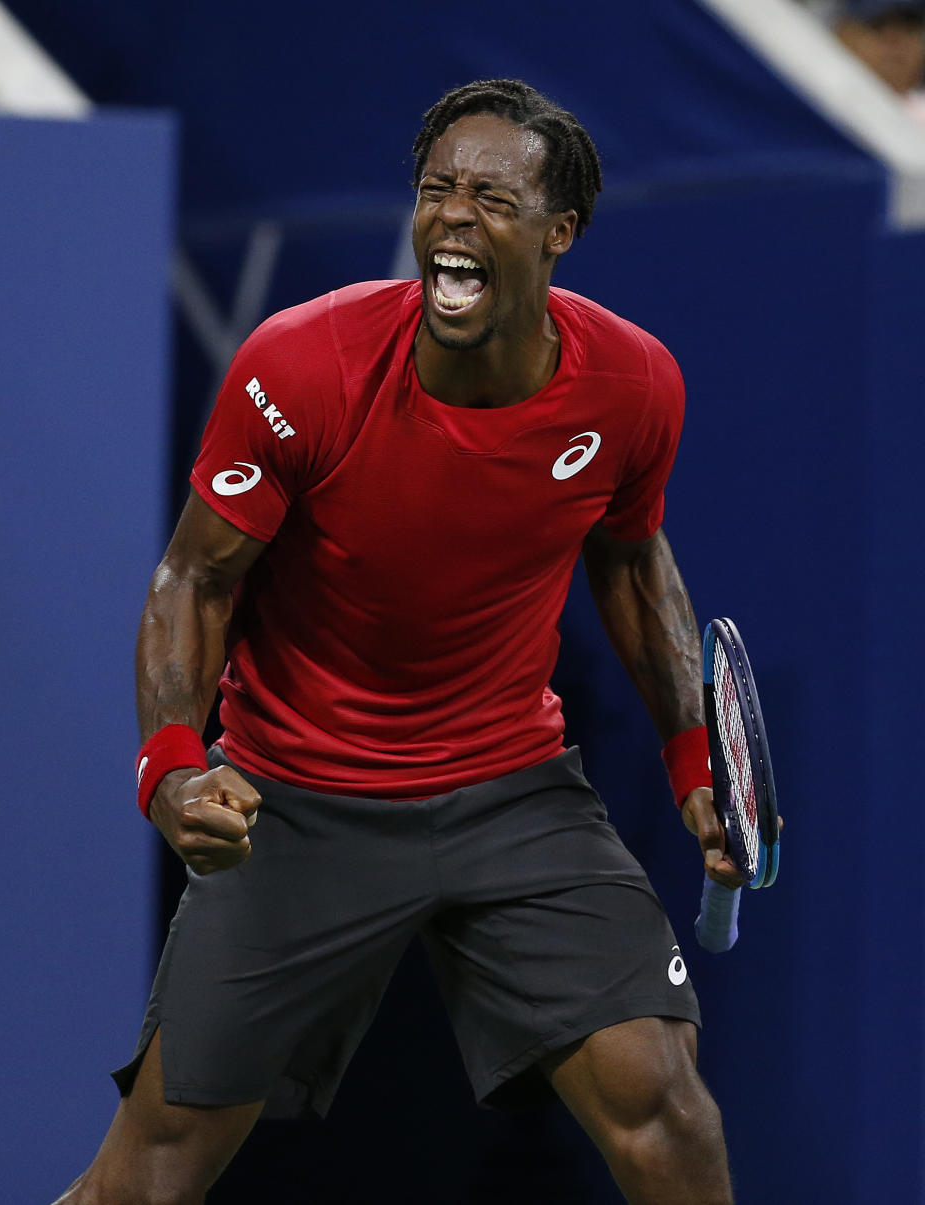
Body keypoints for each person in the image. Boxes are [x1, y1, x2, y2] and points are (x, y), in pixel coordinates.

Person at [55, 79, 741, 1205]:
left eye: (493, 198)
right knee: (151, 1174)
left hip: (514, 792)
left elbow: (629, 558)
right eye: (436, 192)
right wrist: (173, 763)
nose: (453, 219)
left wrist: (690, 758)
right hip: (297, 796)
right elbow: (195, 574)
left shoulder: (634, 384)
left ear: (560, 232)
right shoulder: (303, 364)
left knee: (669, 1112)